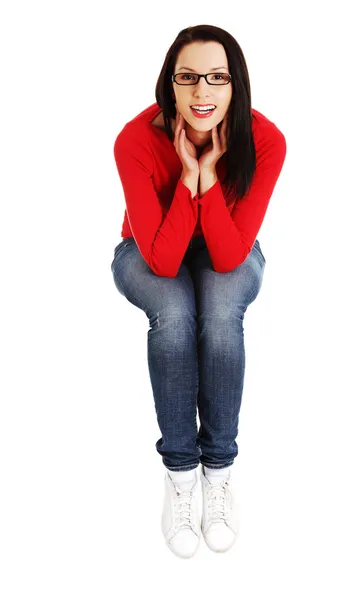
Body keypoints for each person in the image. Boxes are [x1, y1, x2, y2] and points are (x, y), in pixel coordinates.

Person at [110, 24, 286, 558]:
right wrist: (187, 176)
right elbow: (162, 260)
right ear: (170, 84)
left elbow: (231, 256)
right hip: (146, 249)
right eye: (188, 78)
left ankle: (221, 471)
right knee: (174, 315)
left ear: (236, 86)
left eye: (217, 78)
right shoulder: (135, 139)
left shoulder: (266, 139)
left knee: (220, 315)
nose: (202, 92)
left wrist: (209, 174)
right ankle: (182, 476)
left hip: (226, 242)